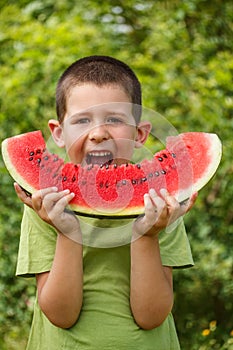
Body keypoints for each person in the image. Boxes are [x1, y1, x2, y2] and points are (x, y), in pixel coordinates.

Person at [14, 55, 197, 350]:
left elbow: (151, 315)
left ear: (140, 134)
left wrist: (147, 235)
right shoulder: (46, 204)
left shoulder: (161, 205)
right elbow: (61, 314)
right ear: (58, 134)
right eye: (82, 120)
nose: (98, 133)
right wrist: (67, 231)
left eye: (114, 119)